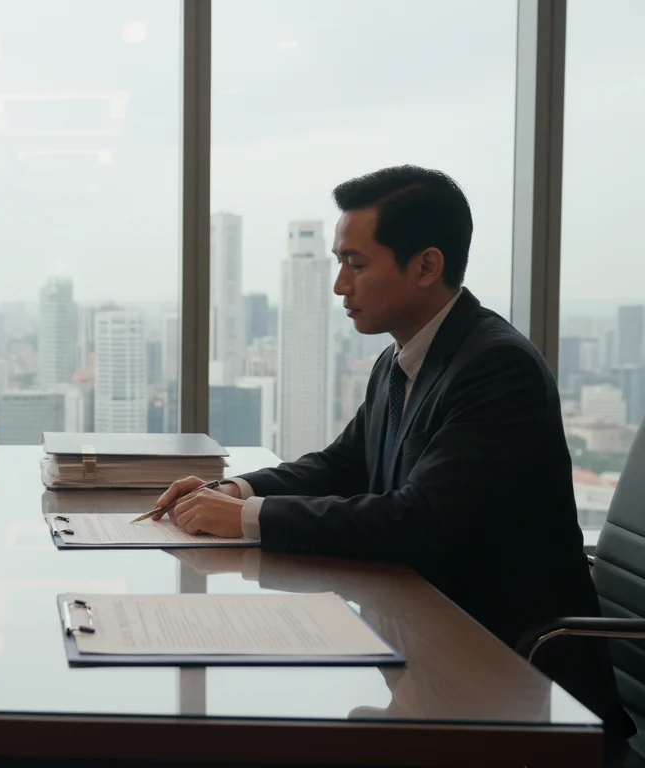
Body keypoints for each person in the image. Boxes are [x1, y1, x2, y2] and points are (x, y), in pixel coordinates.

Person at [155, 165, 633, 741]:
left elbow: (421, 519)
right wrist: (236, 491)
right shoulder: (401, 360)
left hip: (517, 682)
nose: (339, 285)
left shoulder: (495, 368)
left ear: (427, 266)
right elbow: (343, 464)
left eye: (355, 264)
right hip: (432, 648)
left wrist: (245, 520)